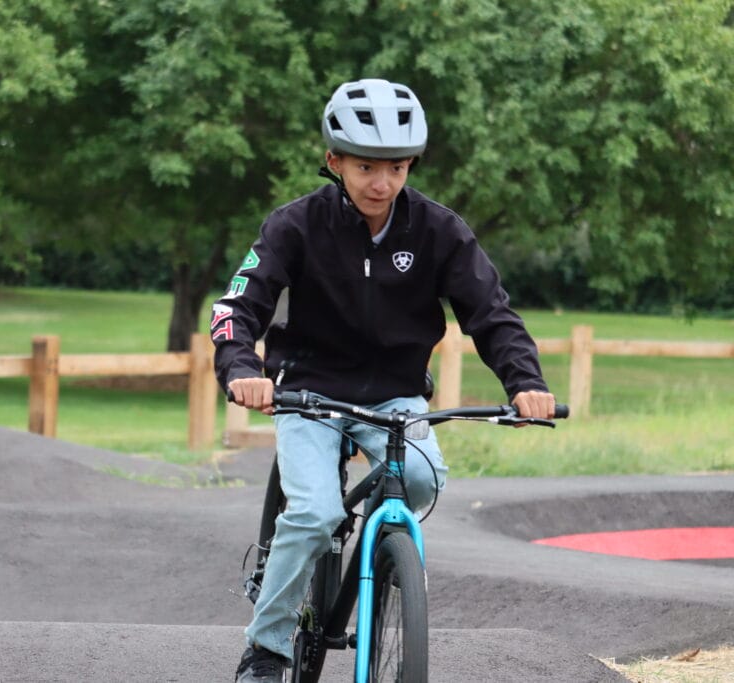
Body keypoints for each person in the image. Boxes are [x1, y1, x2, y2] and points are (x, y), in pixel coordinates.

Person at [211, 78, 556, 682]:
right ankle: (266, 648)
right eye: (366, 166)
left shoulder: (439, 231)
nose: (381, 183)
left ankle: (374, 543)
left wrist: (524, 381)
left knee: (419, 481)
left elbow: (491, 313)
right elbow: (236, 308)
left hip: (396, 396)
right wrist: (243, 368)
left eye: (396, 167)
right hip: (308, 393)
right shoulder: (296, 225)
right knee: (315, 514)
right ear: (334, 161)